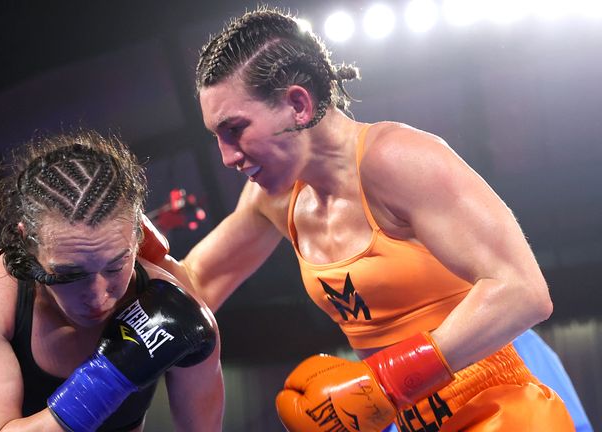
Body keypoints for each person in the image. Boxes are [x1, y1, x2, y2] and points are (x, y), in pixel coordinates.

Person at [184, 7, 574, 431]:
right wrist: (126, 249)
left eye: (235, 130)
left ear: (298, 104)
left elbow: (524, 291)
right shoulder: (274, 199)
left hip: (501, 411)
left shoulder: (398, 160)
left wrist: (388, 379)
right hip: (408, 419)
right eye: (217, 137)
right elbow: (196, 284)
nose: (227, 157)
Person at [0, 130, 224, 432]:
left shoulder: (173, 302)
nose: (99, 295)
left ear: (137, 236)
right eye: (70, 274)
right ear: (29, 242)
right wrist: (109, 378)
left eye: (115, 266)